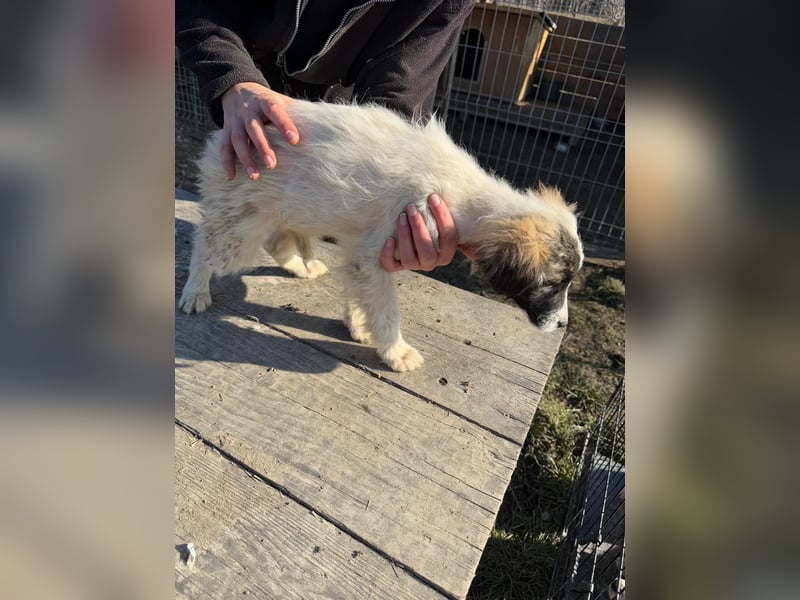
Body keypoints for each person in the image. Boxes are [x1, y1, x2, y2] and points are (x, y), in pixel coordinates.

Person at [176, 0, 476, 273]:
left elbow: (399, 93)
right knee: (241, 202)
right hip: (249, 73)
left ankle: (286, 243)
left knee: (315, 205)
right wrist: (232, 78)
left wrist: (394, 211)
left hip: (339, 113)